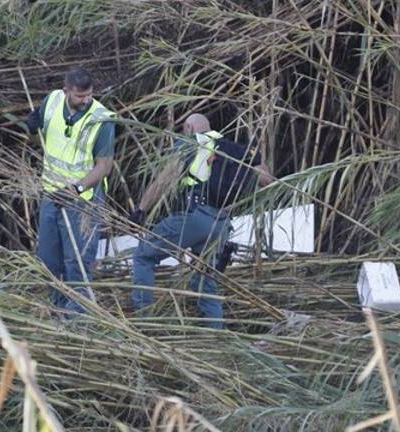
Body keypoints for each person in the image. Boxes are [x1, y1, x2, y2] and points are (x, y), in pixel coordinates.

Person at [129, 113, 273, 328]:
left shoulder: (191, 144)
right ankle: (216, 335)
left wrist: (141, 210)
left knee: (143, 256)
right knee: (207, 281)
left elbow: (163, 180)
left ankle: (143, 321)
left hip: (195, 218)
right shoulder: (236, 150)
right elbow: (268, 180)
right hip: (222, 223)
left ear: (189, 128)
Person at [25, 67, 116, 314]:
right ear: (66, 91)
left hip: (82, 202)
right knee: (48, 261)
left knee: (77, 264)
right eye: (79, 96)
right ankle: (59, 312)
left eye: (89, 95)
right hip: (51, 196)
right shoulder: (52, 102)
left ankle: (77, 322)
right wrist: (32, 129)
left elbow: (104, 166)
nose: (85, 100)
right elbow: (37, 142)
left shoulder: (101, 118)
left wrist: (77, 188)